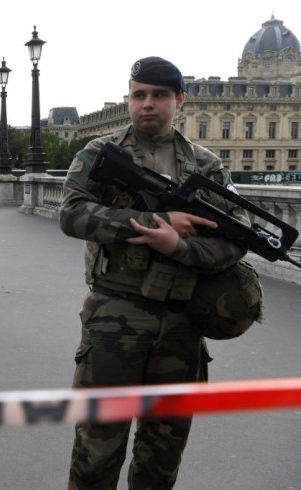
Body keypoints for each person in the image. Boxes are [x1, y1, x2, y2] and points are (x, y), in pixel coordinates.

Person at [59, 57, 248, 489]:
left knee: (162, 454)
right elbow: (70, 214)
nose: (147, 104)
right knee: (96, 450)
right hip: (115, 314)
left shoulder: (207, 166)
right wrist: (147, 224)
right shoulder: (100, 153)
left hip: (182, 323)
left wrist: (179, 246)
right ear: (129, 99)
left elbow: (236, 240)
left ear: (179, 100)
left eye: (159, 95)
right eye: (138, 94)